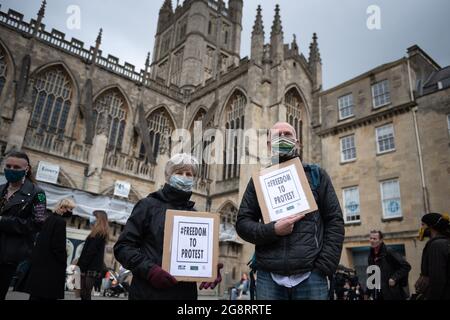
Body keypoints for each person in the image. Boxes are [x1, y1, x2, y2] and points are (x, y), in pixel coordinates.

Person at [235, 122, 345, 300]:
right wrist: (273, 230)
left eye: (287, 134)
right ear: (269, 145)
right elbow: (242, 223)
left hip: (311, 277)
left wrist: (324, 266)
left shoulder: (317, 175)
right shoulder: (259, 181)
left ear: (297, 142)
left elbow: (335, 221)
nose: (283, 138)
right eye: (277, 136)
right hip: (268, 278)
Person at [114, 153, 222, 300]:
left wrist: (209, 269)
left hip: (184, 295)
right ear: (168, 176)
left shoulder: (195, 216)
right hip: (147, 293)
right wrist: (150, 270)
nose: (184, 176)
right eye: (179, 172)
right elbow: (123, 247)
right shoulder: (148, 206)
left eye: (189, 174)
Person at [0, 151, 47, 300]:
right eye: (8, 166)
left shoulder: (38, 193)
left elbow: (38, 223)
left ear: (26, 169)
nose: (11, 170)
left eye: (16, 167)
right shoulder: (1, 188)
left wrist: (4, 221)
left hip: (9, 254)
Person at [26, 198, 76, 300]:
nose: (71, 212)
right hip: (51, 268)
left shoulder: (49, 219)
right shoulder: (60, 222)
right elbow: (58, 246)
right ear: (62, 208)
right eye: (70, 209)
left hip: (40, 265)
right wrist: (63, 259)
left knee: (36, 296)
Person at [414, 213, 450, 300]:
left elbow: (437, 279)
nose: (421, 228)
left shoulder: (436, 245)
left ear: (430, 226)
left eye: (423, 224)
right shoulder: (445, 242)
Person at [367, 230, 411, 300]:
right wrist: (367, 293)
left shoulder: (388, 252)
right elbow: (371, 276)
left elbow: (406, 266)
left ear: (381, 240)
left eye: (374, 239)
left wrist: (394, 278)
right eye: (371, 238)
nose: (372, 240)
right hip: (378, 294)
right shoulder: (370, 255)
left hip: (392, 293)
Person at [77, 210, 109, 300]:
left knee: (85, 293)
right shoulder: (97, 233)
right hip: (89, 267)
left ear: (99, 219)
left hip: (90, 268)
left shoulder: (99, 234)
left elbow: (90, 252)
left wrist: (81, 266)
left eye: (94, 216)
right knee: (84, 293)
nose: (92, 218)